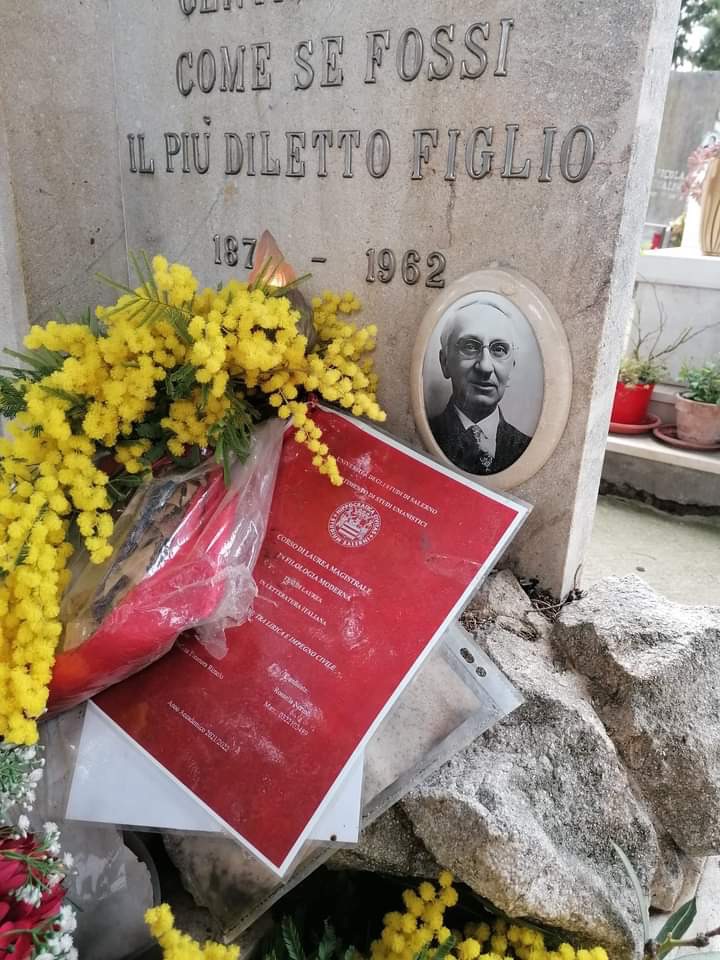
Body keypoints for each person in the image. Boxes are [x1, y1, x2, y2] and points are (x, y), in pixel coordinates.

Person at [429, 300, 532, 475]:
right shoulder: (427, 434)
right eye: (470, 346)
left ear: (511, 369)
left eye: (499, 349)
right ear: (444, 362)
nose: (485, 367)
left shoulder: (525, 448)